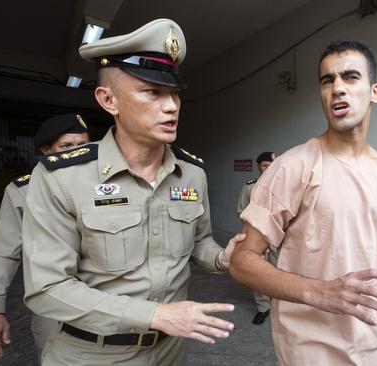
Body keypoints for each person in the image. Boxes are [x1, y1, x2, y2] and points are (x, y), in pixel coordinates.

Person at [21, 19, 243, 365]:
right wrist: (155, 316)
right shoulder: (62, 178)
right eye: (152, 92)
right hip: (93, 354)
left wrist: (221, 258)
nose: (171, 106)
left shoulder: (192, 174)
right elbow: (48, 290)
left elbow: (199, 241)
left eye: (174, 93)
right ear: (109, 100)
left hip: (170, 351)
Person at [230, 40, 377, 366]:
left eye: (350, 77)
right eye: (327, 80)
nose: (337, 89)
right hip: (308, 352)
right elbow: (242, 260)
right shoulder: (294, 166)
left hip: (373, 350)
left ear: (374, 91)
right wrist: (319, 291)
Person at [0, 113, 89, 361]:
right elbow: (2, 252)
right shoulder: (23, 191)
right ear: (46, 150)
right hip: (54, 312)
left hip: (110, 305)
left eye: (83, 145)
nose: (76, 153)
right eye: (66, 147)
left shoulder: (108, 185)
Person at [236, 151, 279, 325]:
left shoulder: (284, 186)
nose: (268, 168)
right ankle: (263, 307)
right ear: (258, 167)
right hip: (257, 235)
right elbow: (241, 210)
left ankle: (277, 304)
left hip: (279, 235)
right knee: (257, 269)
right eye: (264, 165)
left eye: (271, 165)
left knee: (279, 270)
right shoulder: (250, 187)